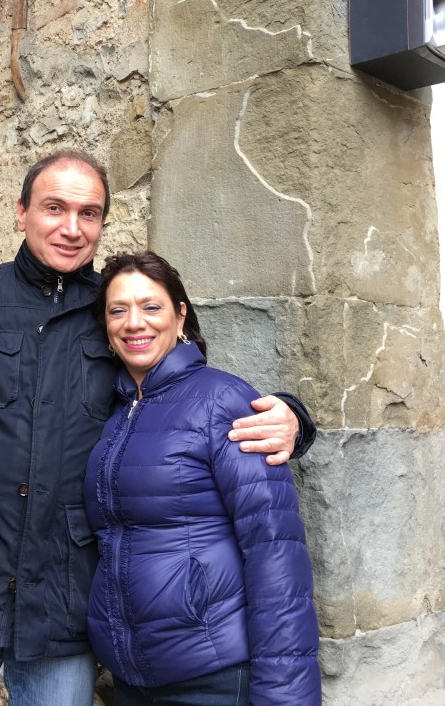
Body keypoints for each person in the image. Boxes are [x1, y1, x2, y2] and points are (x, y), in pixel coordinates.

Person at [0, 151, 316, 706]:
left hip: (61, 600)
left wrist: (292, 416)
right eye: (54, 208)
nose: (71, 228)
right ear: (21, 212)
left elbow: (179, 397)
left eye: (89, 213)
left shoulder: (112, 309)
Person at [84, 251, 321, 706]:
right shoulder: (112, 413)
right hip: (133, 679)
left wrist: (285, 695)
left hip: (212, 676)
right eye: (118, 310)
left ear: (180, 316)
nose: (134, 323)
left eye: (151, 306)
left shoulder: (222, 400)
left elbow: (274, 553)